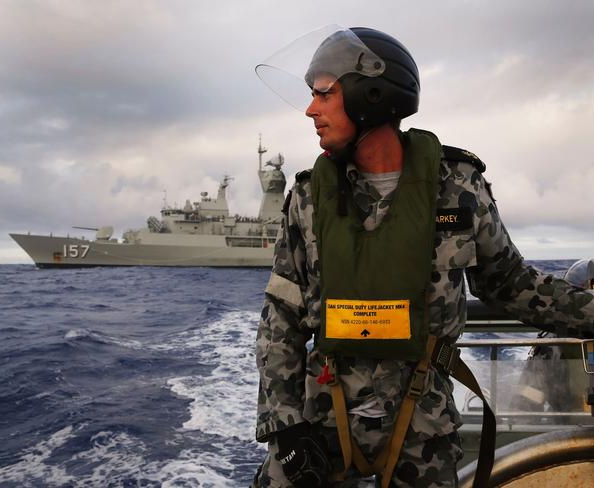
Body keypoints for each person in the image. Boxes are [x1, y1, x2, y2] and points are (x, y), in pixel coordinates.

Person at [252, 26, 594, 488]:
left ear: (369, 93)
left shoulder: (459, 187)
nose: (311, 109)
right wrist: (285, 427)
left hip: (422, 428)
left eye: (323, 94)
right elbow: (281, 319)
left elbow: (511, 285)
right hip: (321, 425)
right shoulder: (308, 198)